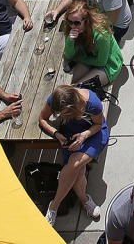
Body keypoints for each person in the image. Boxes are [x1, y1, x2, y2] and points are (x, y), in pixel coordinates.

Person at [38, 84, 107, 225]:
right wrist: (56, 134)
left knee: (75, 163)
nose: (61, 116)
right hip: (70, 133)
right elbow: (42, 118)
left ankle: (54, 205)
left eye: (65, 114)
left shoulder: (92, 103)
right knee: (78, 169)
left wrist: (83, 136)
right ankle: (85, 200)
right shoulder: (56, 99)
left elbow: (98, 125)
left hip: (92, 133)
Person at [61, 0, 124, 86]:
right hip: (89, 57)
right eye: (70, 22)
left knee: (78, 88)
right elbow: (68, 55)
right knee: (72, 81)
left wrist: (78, 59)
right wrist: (70, 40)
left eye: (76, 23)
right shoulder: (71, 29)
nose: (72, 26)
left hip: (108, 65)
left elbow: (101, 62)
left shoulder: (101, 34)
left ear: (86, 20)